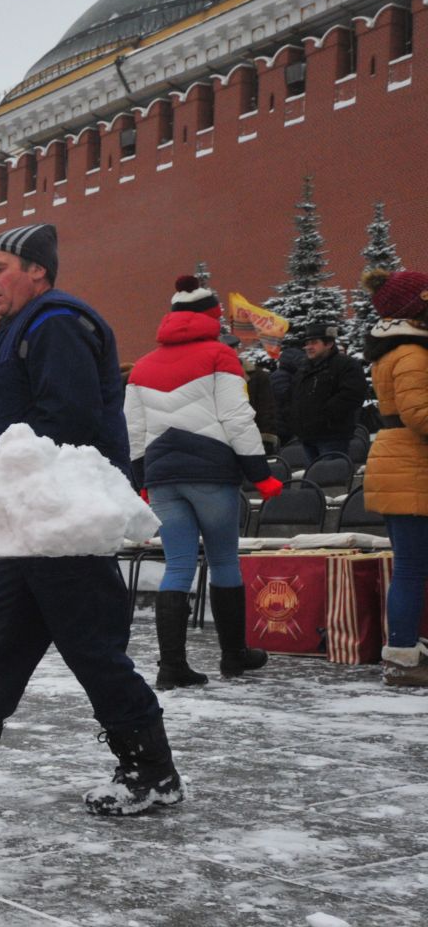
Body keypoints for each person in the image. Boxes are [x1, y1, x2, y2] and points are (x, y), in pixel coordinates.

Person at [0, 224, 180, 817]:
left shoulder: (56, 324)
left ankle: (151, 771)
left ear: (37, 271)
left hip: (60, 514)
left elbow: (64, 418)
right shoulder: (23, 328)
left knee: (91, 646)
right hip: (29, 516)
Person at [124, 276, 282, 689]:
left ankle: (171, 666)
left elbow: (134, 431)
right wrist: (259, 474)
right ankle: (233, 656)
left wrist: (142, 481)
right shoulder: (220, 356)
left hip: (162, 476)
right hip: (211, 471)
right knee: (224, 561)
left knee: (176, 566)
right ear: (211, 316)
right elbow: (237, 418)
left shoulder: (141, 366)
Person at [361, 267, 428, 687]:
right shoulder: (413, 355)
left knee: (412, 566)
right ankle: (402, 657)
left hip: (402, 463)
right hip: (411, 466)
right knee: (411, 568)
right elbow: (418, 413)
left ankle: (406, 650)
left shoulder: (398, 352)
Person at [291, 328, 368, 460]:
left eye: (314, 343)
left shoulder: (346, 365)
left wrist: (324, 415)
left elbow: (352, 395)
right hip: (307, 436)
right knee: (314, 477)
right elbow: (295, 396)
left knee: (330, 477)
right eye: (307, 343)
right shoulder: (304, 368)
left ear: (329, 344)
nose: (308, 347)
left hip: (332, 436)